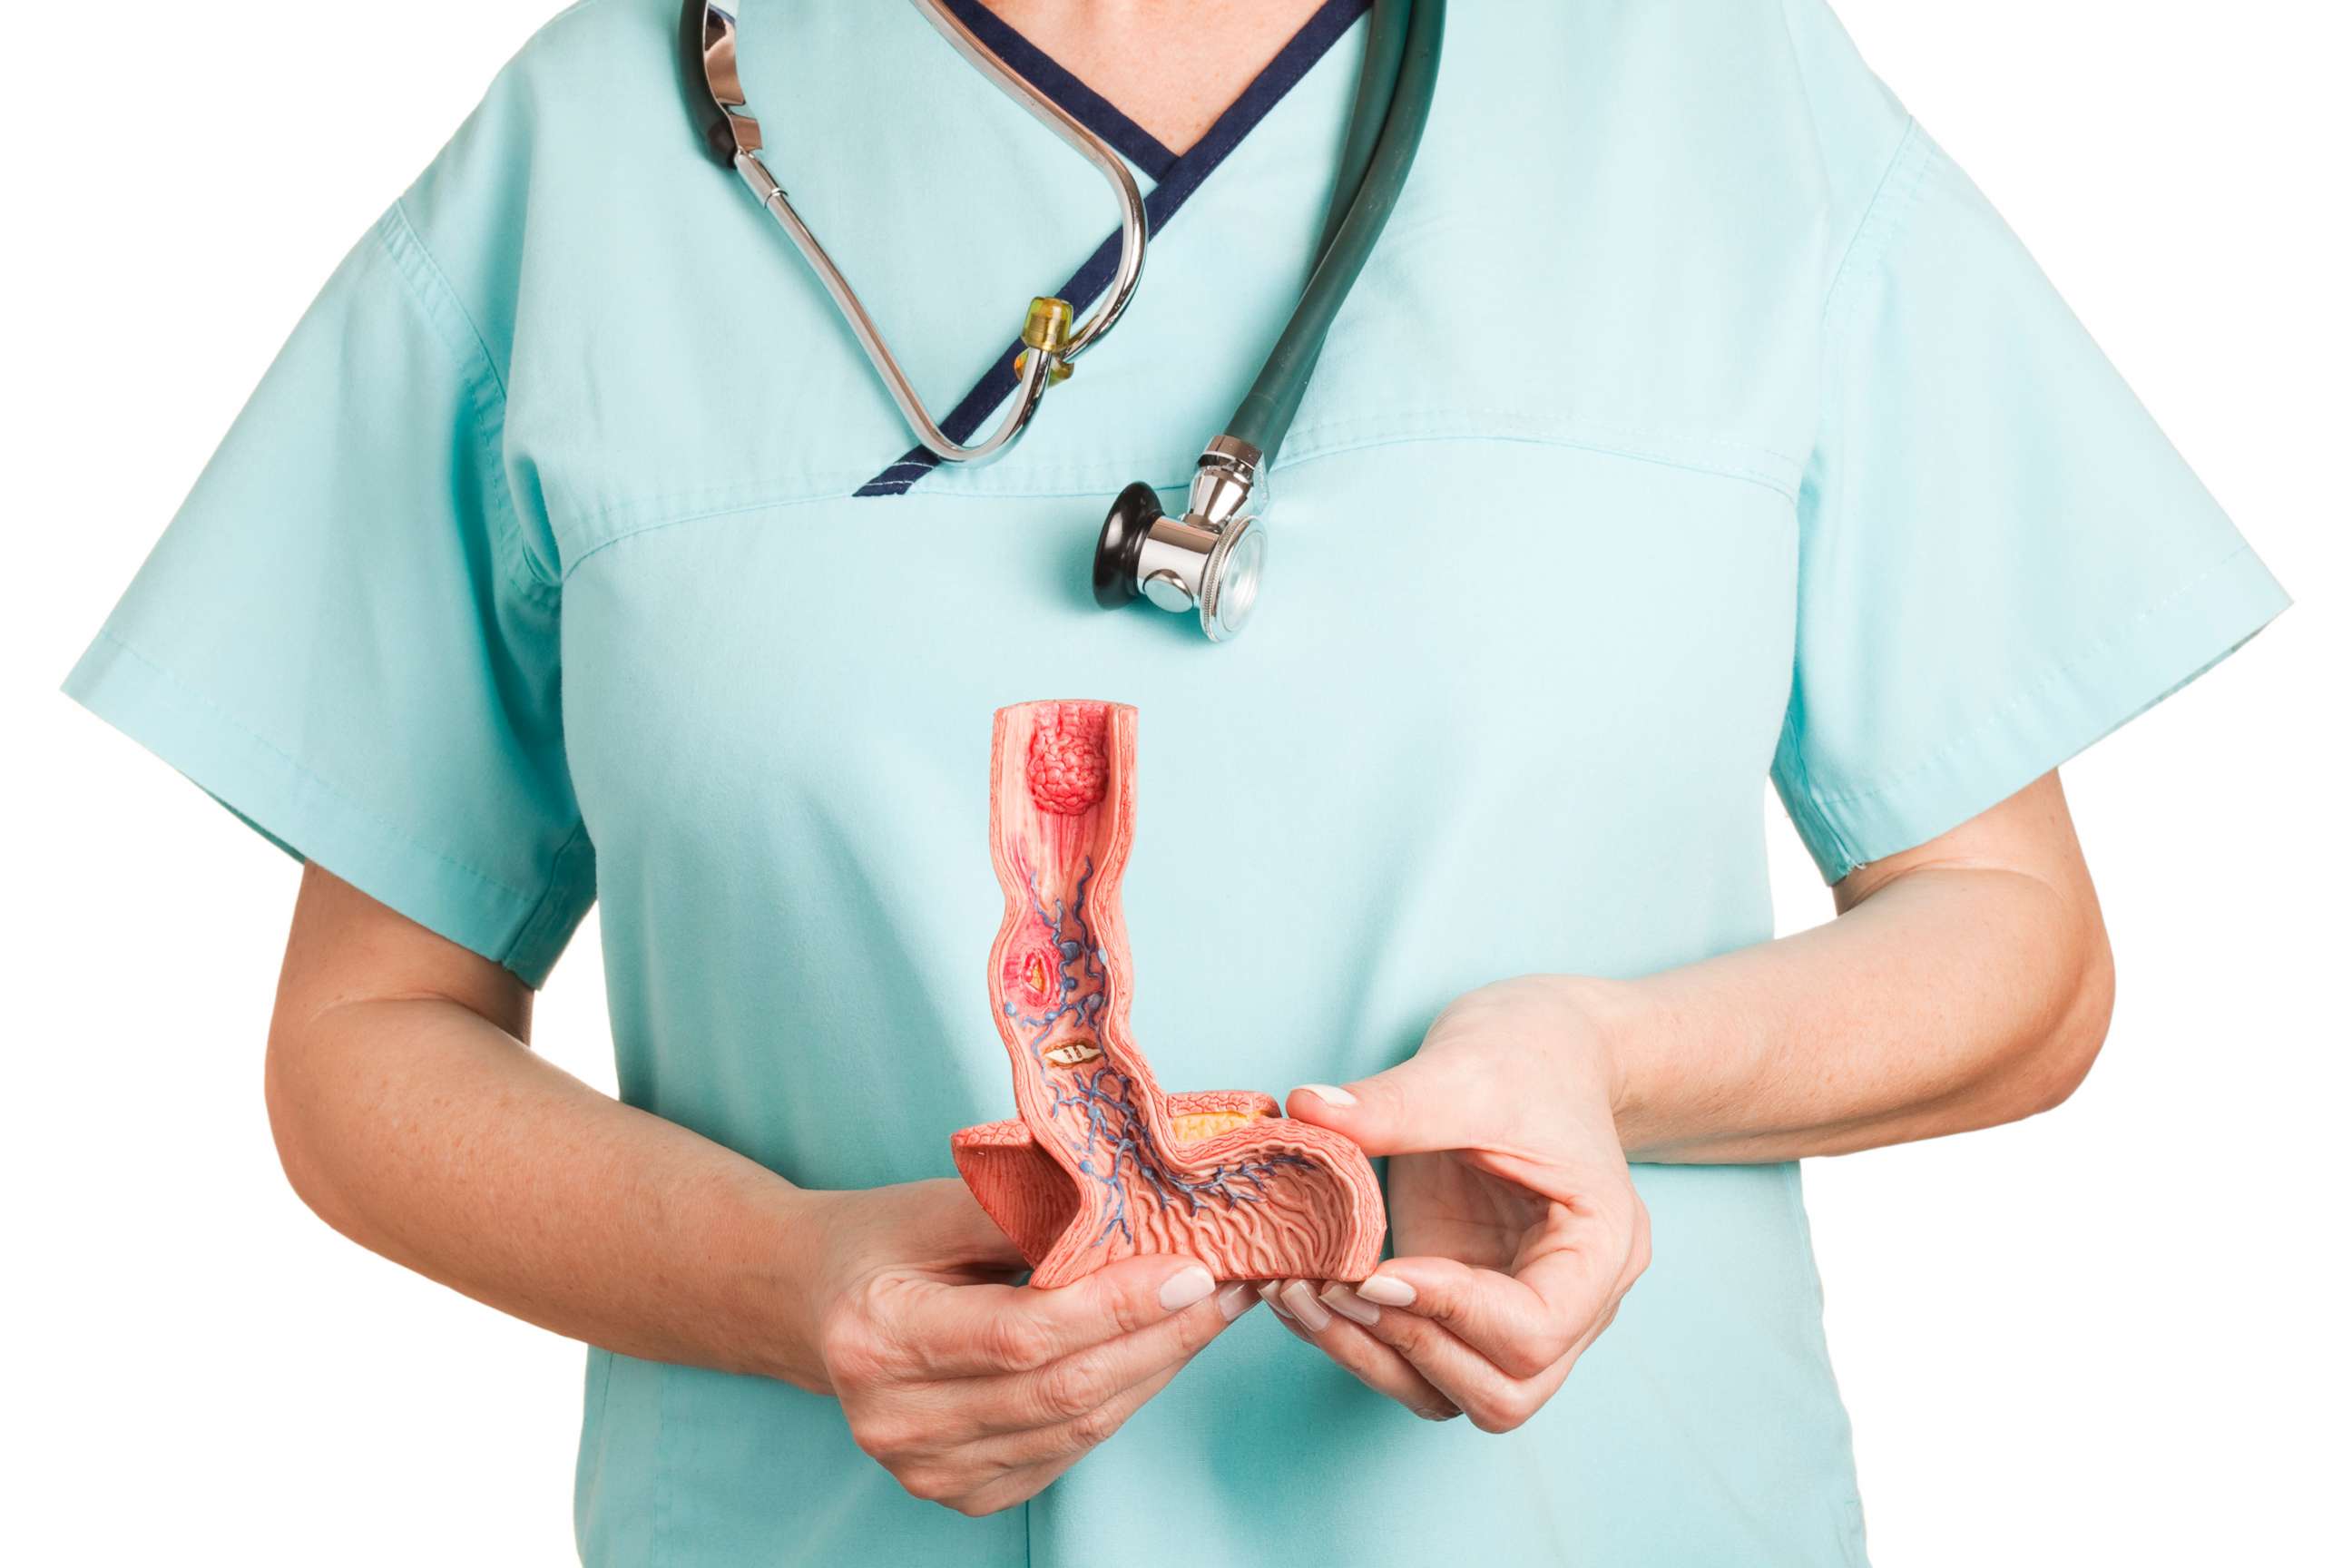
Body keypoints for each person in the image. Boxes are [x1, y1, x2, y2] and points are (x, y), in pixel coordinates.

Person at [64, 0, 2288, 1563]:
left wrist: (1610, 1058)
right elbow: (363, 1047)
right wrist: (787, 1282)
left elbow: (2028, 958)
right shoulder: (598, 152)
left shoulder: (1719, 101)